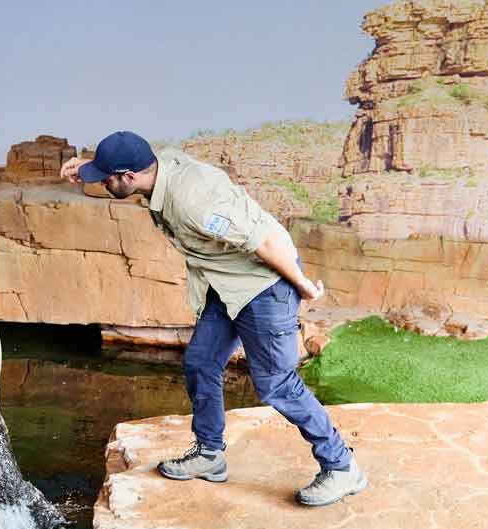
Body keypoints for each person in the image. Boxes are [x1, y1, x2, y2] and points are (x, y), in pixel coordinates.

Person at [60, 131, 365, 507]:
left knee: (276, 385)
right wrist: (87, 166)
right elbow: (125, 157)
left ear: (130, 175)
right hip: (227, 283)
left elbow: (265, 242)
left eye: (106, 178)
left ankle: (341, 466)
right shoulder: (157, 164)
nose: (103, 184)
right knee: (201, 362)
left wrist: (302, 285)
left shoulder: (195, 201)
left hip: (264, 282)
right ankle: (209, 454)